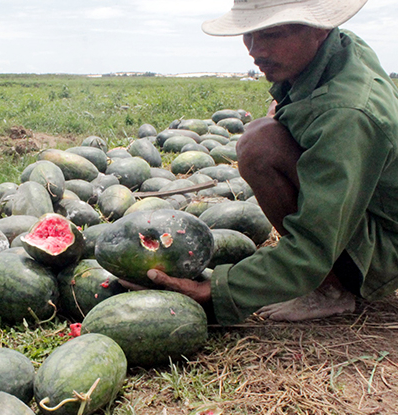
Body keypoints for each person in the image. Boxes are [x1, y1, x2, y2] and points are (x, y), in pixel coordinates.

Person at [144, 0, 398, 324]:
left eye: (272, 35)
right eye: (248, 35)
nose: (254, 50)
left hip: (384, 249)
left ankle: (331, 289)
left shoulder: (347, 116)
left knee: (259, 147)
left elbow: (313, 246)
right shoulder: (341, 48)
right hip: (369, 211)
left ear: (318, 29)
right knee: (265, 131)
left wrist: (218, 289)